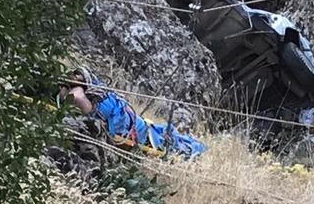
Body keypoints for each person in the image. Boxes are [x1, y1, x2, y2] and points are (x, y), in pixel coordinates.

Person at [59, 67, 206, 159]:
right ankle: (196, 148)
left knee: (171, 144)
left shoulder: (94, 100)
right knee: (168, 138)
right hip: (136, 124)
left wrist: (68, 92)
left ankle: (197, 150)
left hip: (138, 131)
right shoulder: (99, 92)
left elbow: (77, 97)